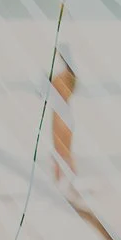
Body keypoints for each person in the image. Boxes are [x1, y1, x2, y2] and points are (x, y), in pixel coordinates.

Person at [50, 42, 77, 193]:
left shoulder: (61, 77)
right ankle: (70, 182)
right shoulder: (71, 77)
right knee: (66, 151)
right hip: (67, 113)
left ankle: (61, 183)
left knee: (59, 151)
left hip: (59, 115)